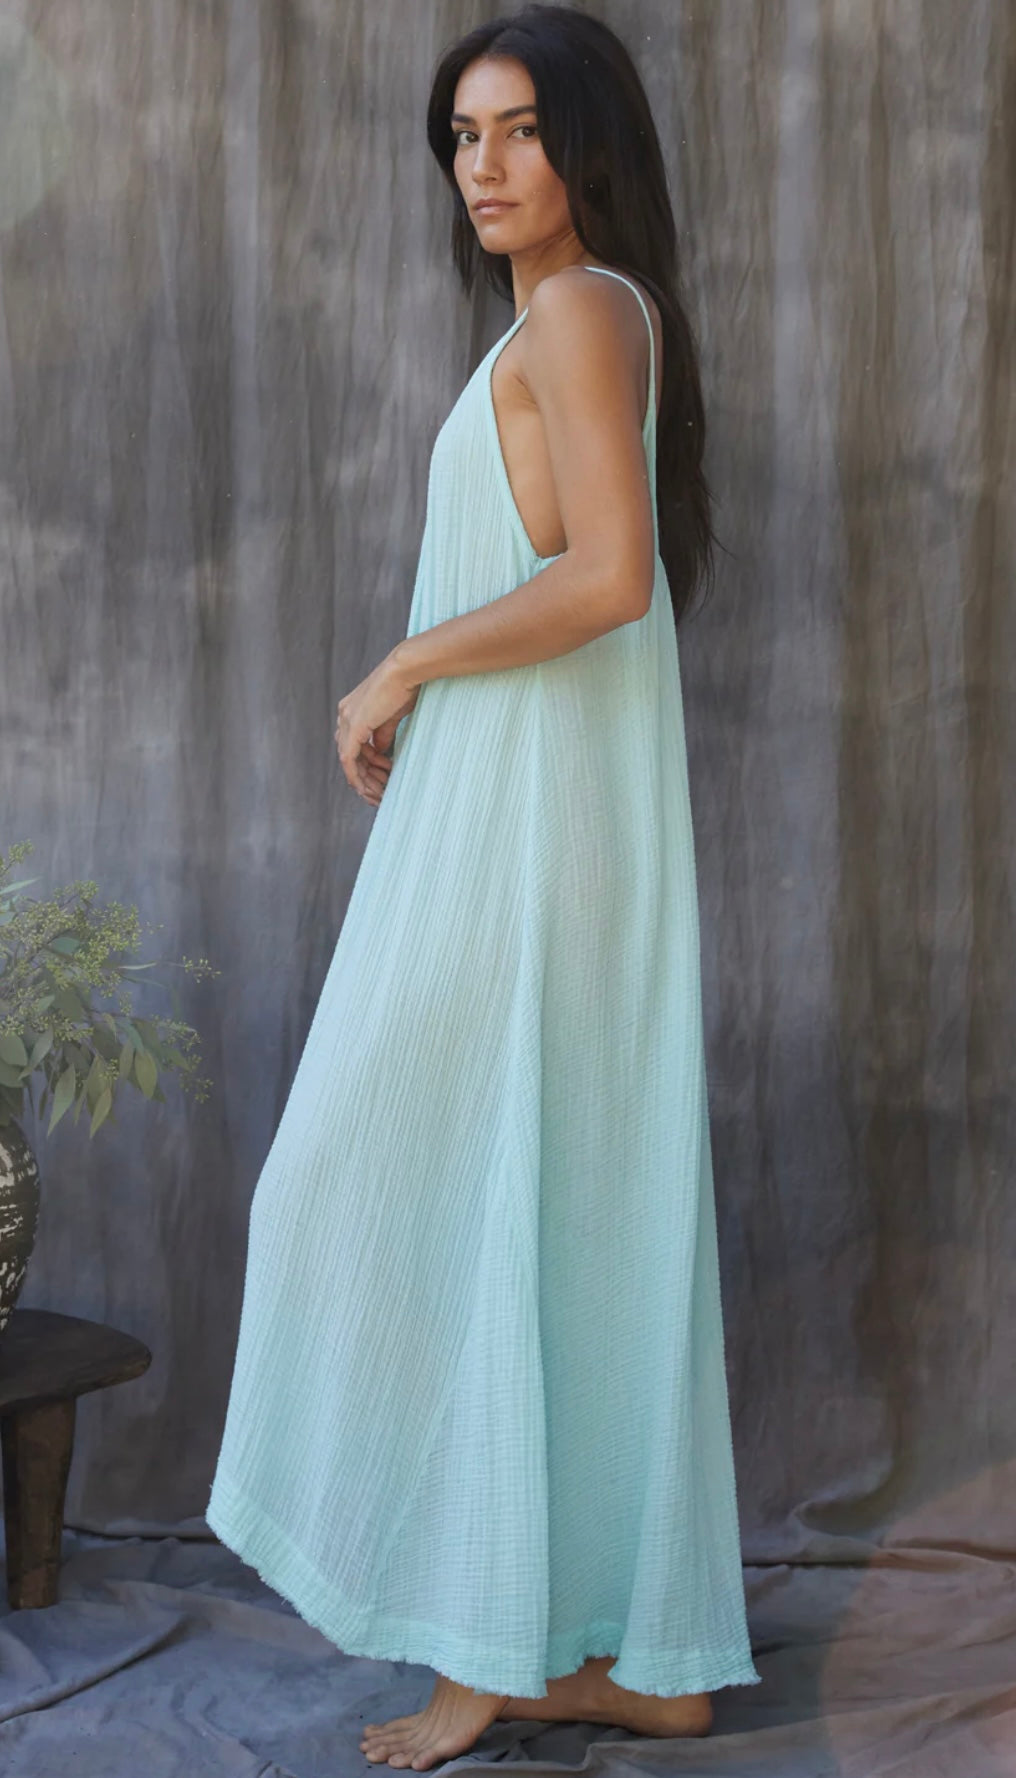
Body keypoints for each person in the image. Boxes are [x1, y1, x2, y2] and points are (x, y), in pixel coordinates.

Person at [206, 5, 761, 1771]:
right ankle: (630, 1649)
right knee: (530, 1202)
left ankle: (482, 1644)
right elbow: (593, 567)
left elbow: (603, 579)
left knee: (431, 1193)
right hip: (526, 816)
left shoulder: (587, 311)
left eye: (521, 131)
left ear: (588, 147)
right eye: (464, 137)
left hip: (536, 837)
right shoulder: (562, 320)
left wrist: (398, 669)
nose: (487, 168)